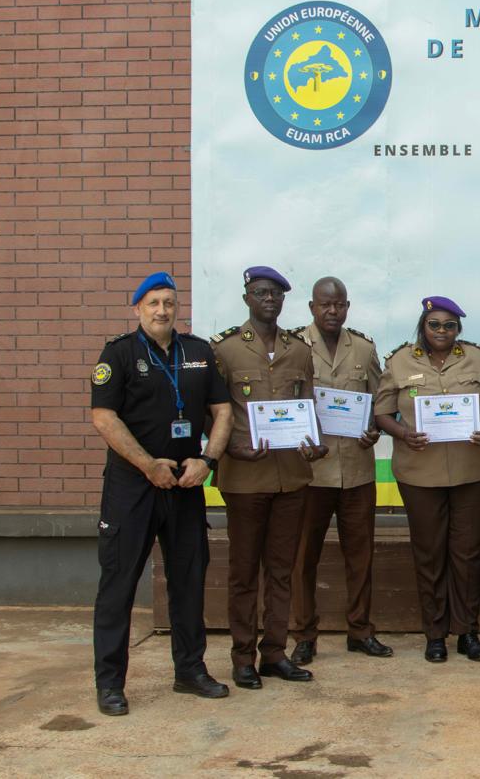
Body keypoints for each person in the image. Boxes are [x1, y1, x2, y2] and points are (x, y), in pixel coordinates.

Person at [89, 272, 234, 716]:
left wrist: (207, 460)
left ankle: (190, 671)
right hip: (132, 487)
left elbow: (222, 411)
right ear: (138, 308)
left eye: (169, 302)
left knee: (188, 581)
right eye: (153, 303)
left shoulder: (198, 352)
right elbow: (104, 417)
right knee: (118, 585)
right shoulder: (119, 354)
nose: (162, 310)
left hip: (185, 485)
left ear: (177, 308)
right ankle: (110, 684)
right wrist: (147, 464)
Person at [211, 266, 327, 690]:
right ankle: (243, 656)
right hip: (245, 478)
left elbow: (307, 405)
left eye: (276, 294)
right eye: (261, 292)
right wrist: (228, 448)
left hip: (291, 477)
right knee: (244, 572)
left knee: (281, 569)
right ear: (247, 298)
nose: (269, 300)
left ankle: (275, 653)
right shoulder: (225, 350)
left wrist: (314, 442)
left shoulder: (298, 350)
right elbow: (212, 412)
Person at [374, 296, 480, 663]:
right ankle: (435, 634)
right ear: (423, 326)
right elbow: (381, 412)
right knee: (429, 554)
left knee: (468, 554)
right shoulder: (399, 361)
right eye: (434, 324)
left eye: (449, 325)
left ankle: (467, 632)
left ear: (458, 329)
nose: (442, 331)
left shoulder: (477, 358)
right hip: (419, 473)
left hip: (471, 471)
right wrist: (403, 433)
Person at [288, 277, 390, 667]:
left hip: (357, 471)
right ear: (312, 307)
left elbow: (380, 402)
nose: (333, 311)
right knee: (303, 558)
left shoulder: (363, 348)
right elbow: (285, 402)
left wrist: (376, 429)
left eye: (340, 304)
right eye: (325, 304)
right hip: (310, 473)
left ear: (347, 307)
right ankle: (304, 636)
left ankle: (360, 631)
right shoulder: (294, 346)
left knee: (360, 557)